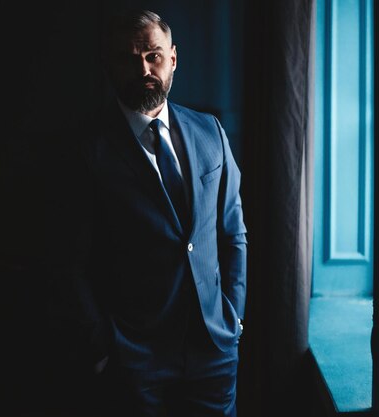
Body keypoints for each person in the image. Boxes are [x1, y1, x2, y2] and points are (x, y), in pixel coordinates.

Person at [47, 9, 247, 417]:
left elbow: (232, 234)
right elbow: (68, 262)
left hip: (213, 350)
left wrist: (234, 317)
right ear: (109, 67)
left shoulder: (210, 131)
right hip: (133, 360)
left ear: (173, 58)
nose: (143, 68)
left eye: (153, 55)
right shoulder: (86, 151)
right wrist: (101, 346)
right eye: (128, 58)